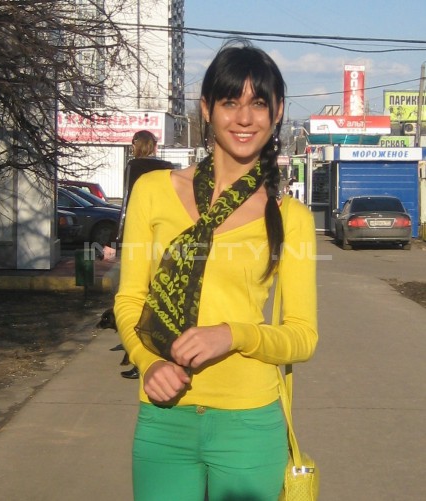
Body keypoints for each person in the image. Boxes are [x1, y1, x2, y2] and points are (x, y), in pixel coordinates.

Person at [114, 40, 318, 500]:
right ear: (206, 109)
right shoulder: (153, 190)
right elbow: (130, 300)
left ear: (277, 112)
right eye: (230, 102)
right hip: (165, 415)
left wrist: (234, 335)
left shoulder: (290, 218)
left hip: (249, 423)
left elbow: (303, 337)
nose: (244, 118)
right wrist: (148, 362)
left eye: (258, 104)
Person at [110, 130, 174, 379]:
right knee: (159, 297)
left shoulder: (134, 166)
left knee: (136, 297)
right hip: (165, 236)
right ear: (155, 146)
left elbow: (128, 203)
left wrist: (117, 237)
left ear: (136, 145)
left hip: (139, 236)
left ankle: (143, 358)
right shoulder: (168, 167)